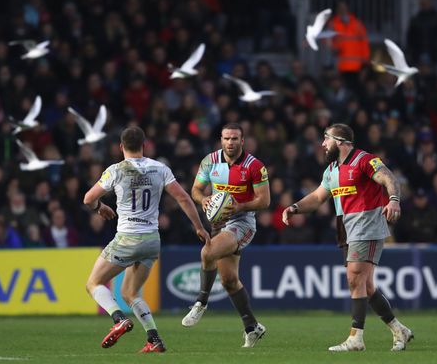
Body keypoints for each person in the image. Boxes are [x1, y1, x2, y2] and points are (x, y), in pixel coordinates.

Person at [281, 123, 413, 352]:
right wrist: (294, 207)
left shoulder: (364, 160)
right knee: (366, 286)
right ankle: (398, 329)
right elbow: (317, 197)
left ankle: (356, 338)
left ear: (340, 142)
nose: (322, 144)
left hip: (367, 222)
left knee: (354, 278)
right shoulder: (331, 169)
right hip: (345, 225)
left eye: (326, 139)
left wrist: (393, 199)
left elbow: (388, 177)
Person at [83, 126, 210, 353]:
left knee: (93, 283)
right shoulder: (159, 168)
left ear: (121, 147)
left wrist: (100, 207)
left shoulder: (116, 170)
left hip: (127, 237)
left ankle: (118, 318)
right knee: (130, 293)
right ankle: (154, 339)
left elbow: (88, 198)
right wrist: (199, 227)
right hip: (152, 240)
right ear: (145, 145)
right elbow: (183, 198)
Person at [181, 123, 271, 348]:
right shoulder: (209, 161)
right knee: (229, 281)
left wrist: (238, 207)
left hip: (243, 222)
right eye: (226, 138)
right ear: (221, 140)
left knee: (208, 252)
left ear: (243, 141)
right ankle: (252, 327)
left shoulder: (254, 166)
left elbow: (265, 200)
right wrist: (204, 200)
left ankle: (201, 301)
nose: (230, 143)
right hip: (218, 223)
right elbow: (196, 190)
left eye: (234, 139)